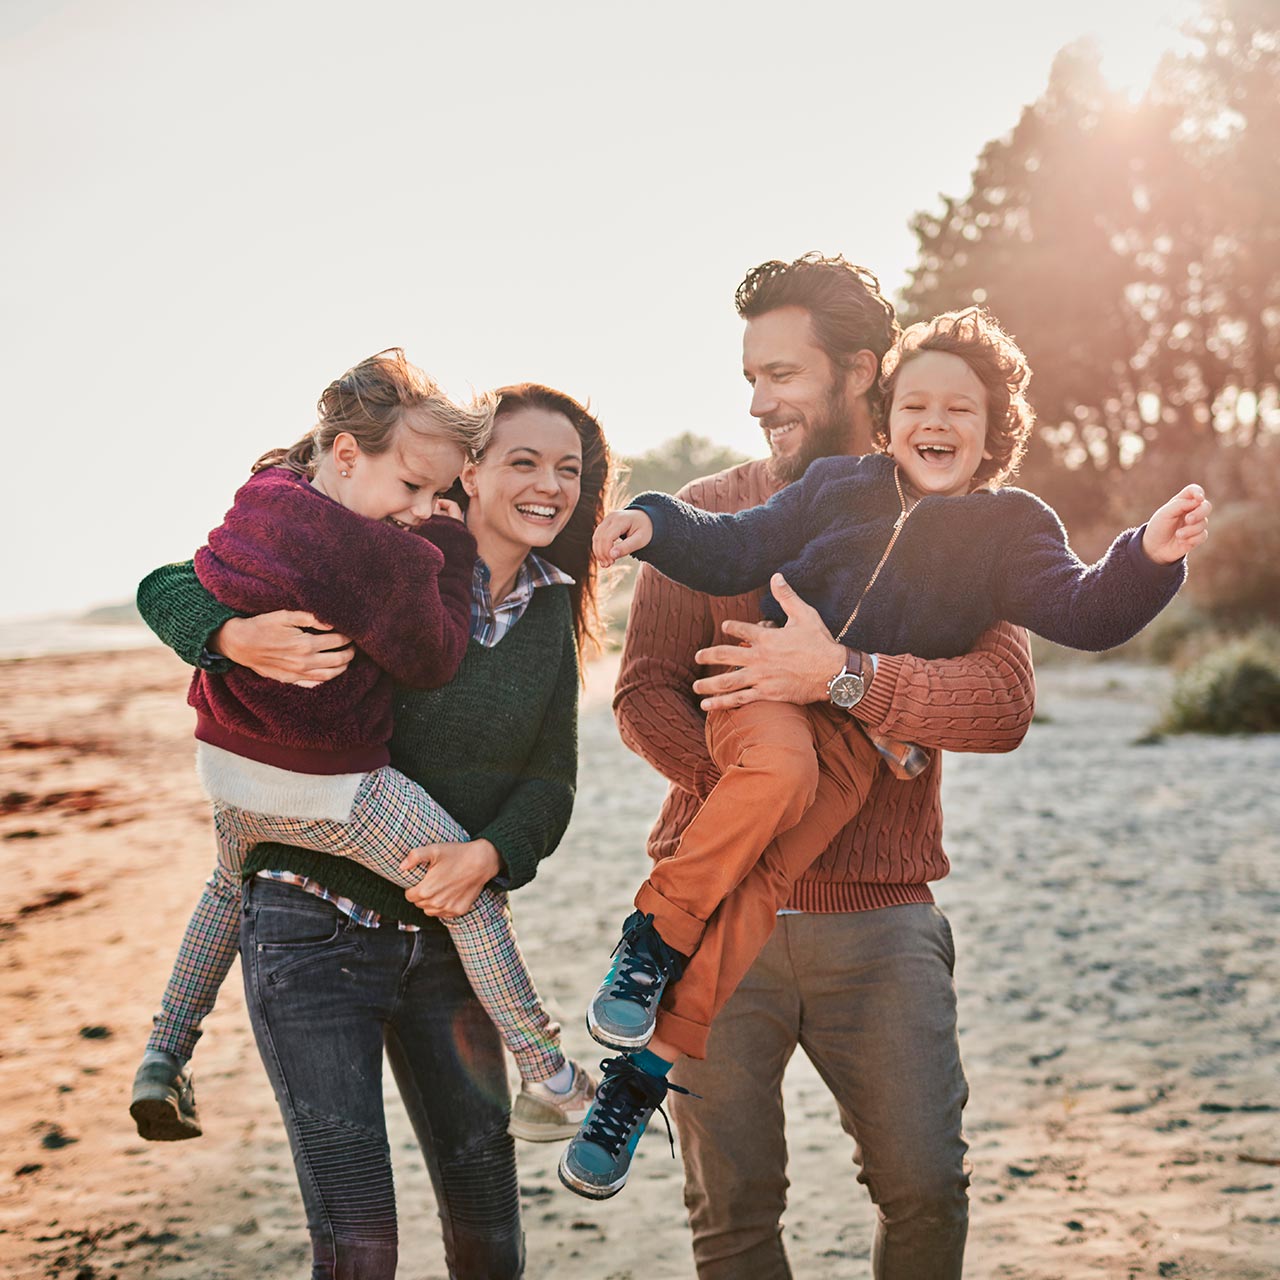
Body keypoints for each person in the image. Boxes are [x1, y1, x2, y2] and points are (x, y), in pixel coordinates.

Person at [561, 307, 1209, 1200]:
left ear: (994, 435)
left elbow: (1085, 610)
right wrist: (654, 522)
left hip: (855, 758)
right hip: (765, 706)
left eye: (961, 410)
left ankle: (645, 1072)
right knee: (777, 781)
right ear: (887, 414)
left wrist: (1149, 556)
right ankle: (654, 932)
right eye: (915, 406)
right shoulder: (838, 486)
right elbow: (734, 545)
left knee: (768, 877)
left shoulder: (1010, 531)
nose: (934, 423)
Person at [608, 253, 1034, 1279]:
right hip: (712, 925)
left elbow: (1001, 700)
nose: (758, 402)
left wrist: (848, 681)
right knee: (733, 1216)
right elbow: (641, 694)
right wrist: (770, 788)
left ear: (858, 373)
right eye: (749, 376)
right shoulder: (709, 512)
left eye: (782, 376)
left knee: (926, 1189)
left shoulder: (962, 521)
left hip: (879, 919)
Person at [135, 381, 612, 1279]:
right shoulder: (385, 552)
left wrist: (494, 854)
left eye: (569, 470)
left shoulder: (552, 610)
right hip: (309, 934)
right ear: (466, 473)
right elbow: (170, 583)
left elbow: (552, 778)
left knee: (490, 1236)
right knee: (359, 1248)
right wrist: (231, 640)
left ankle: (169, 1048)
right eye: (522, 461)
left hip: (447, 945)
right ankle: (168, 1052)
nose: (548, 484)